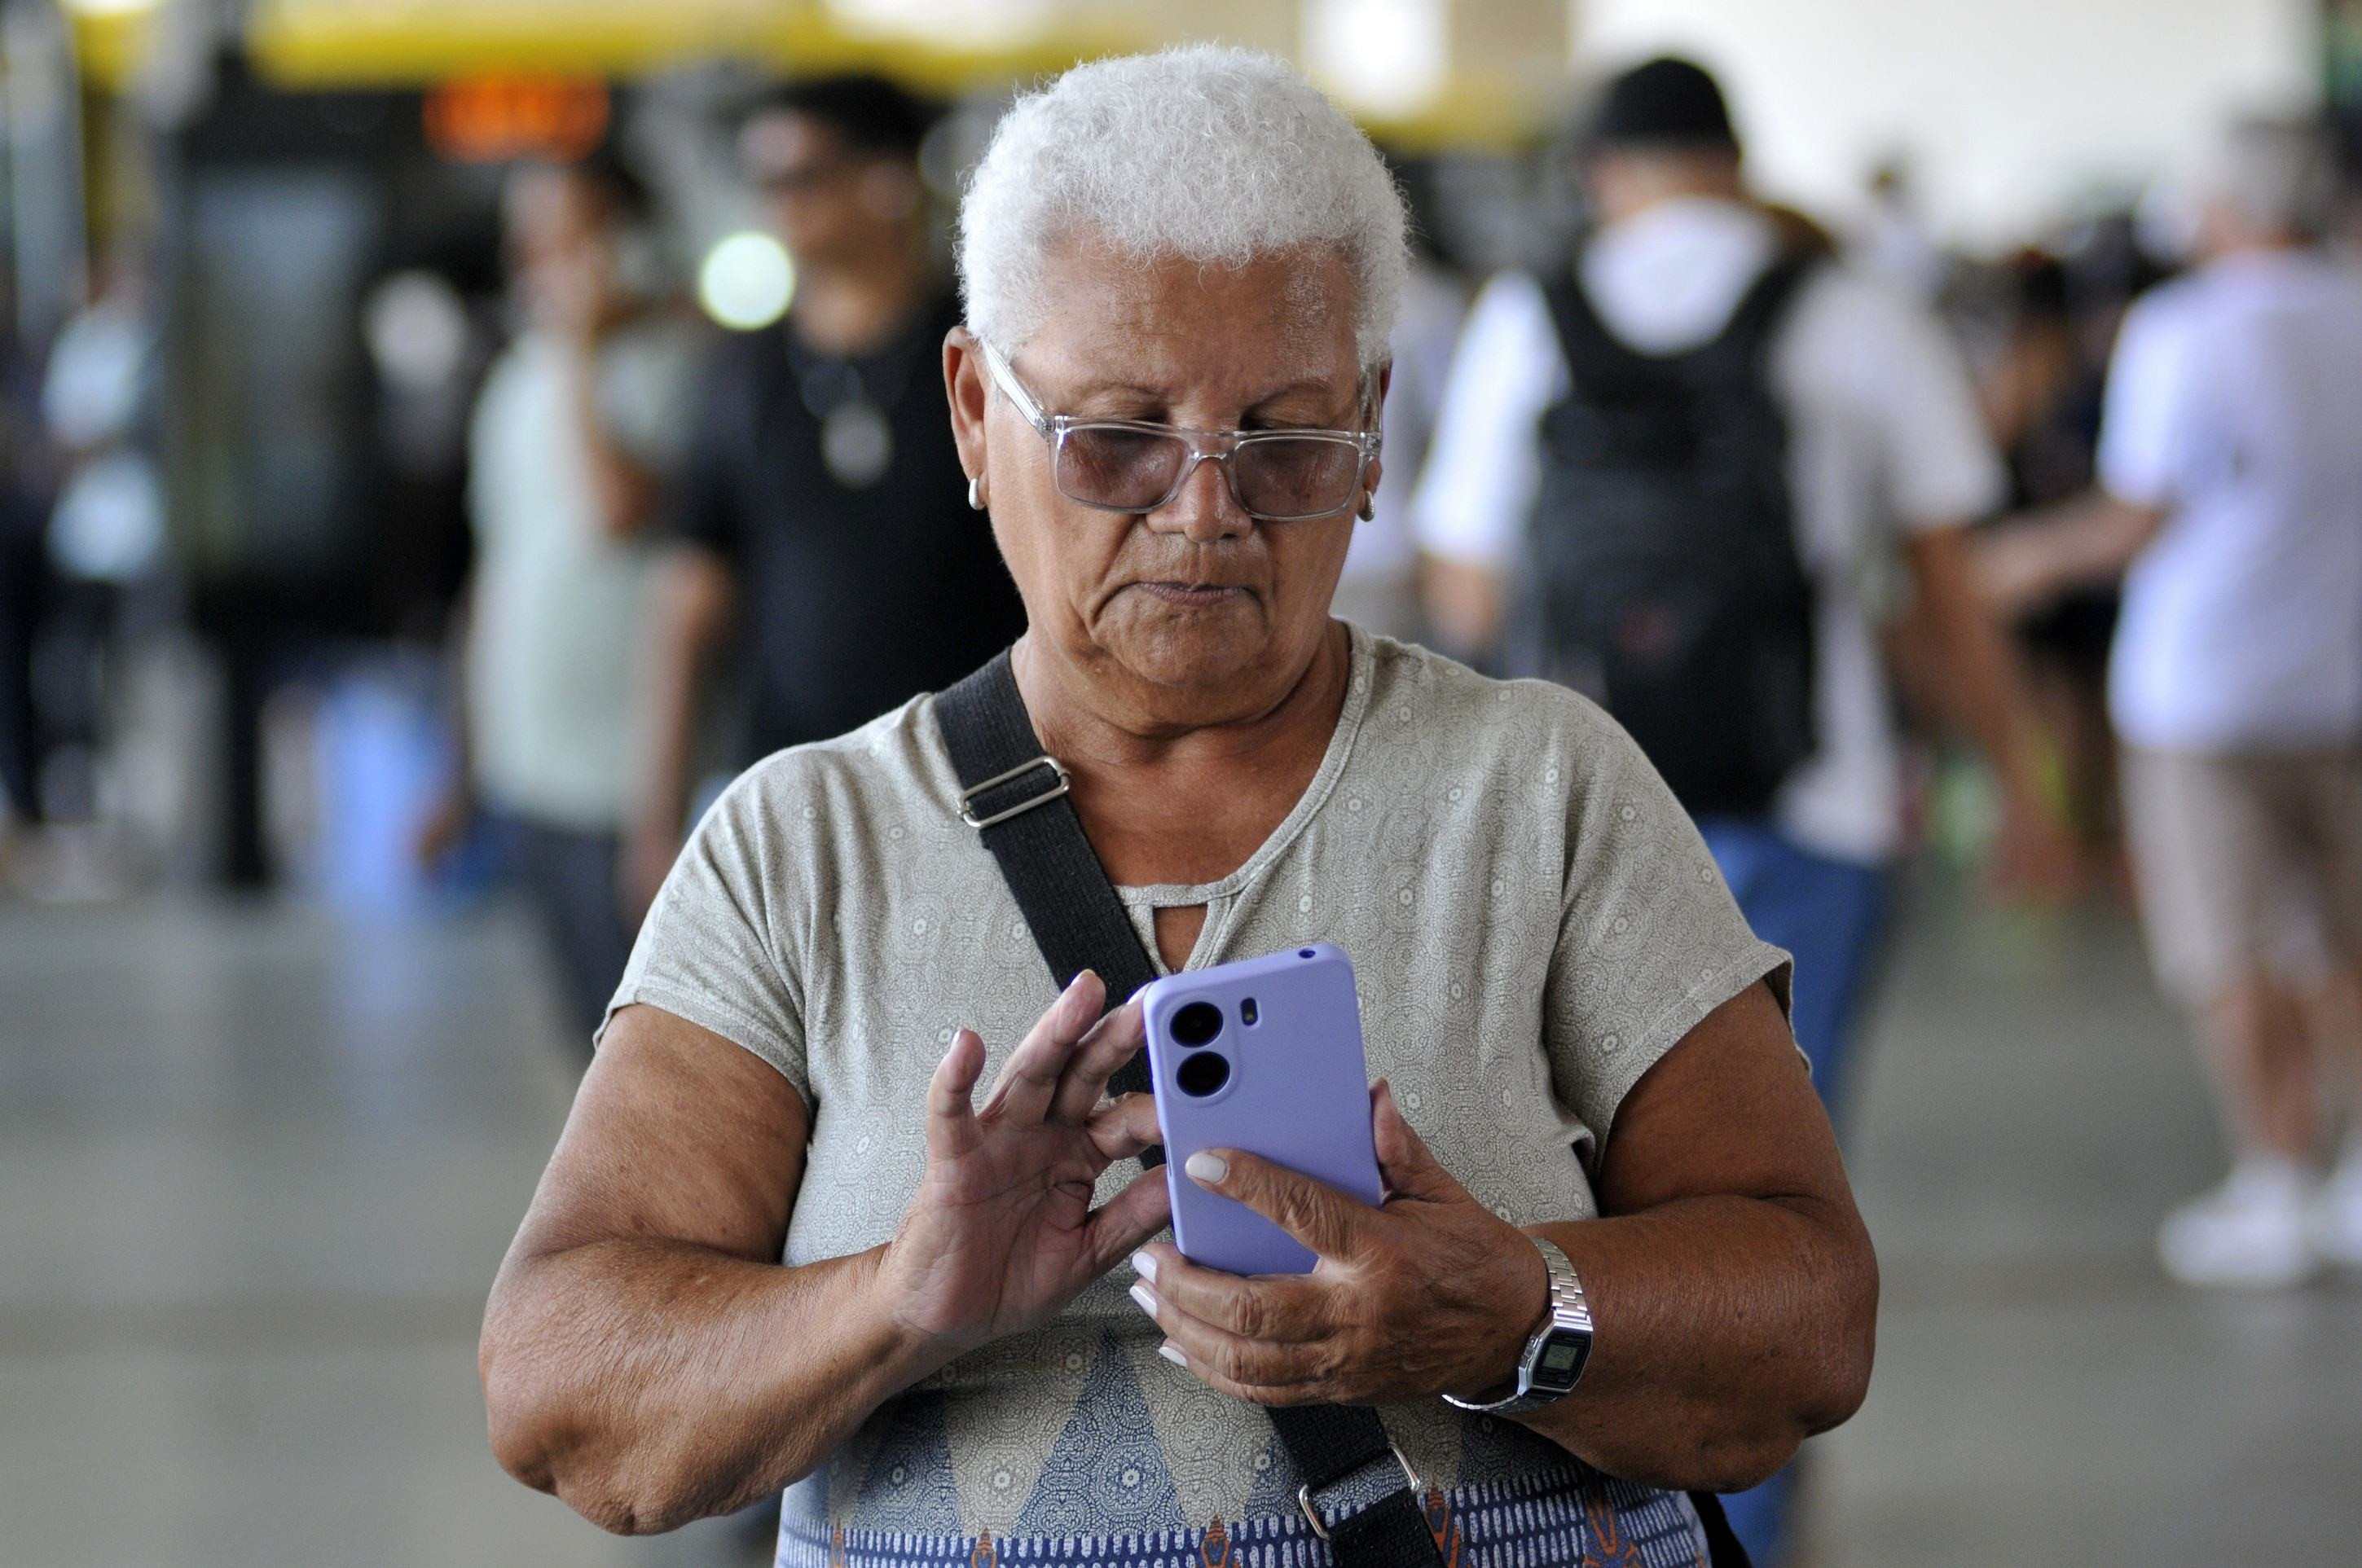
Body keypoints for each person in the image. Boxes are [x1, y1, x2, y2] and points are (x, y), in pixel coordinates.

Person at [480, 47, 1877, 1568]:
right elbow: (560, 1388)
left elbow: (1807, 1318)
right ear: (970, 411)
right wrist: (899, 1302)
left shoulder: (1535, 792)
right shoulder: (804, 850)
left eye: (1281, 442)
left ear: (1373, 432)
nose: (1201, 512)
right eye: (1115, 438)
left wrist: (1509, 1311)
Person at [1411, 56, 2064, 1564]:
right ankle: (1739, 1525)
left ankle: (1602, 1512)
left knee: (1569, 1179)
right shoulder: (1846, 312)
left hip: (1566, 827)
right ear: (1732, 158)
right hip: (1808, 807)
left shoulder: (1531, 313)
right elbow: (1942, 584)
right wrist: (2019, 782)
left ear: (1601, 169)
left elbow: (1464, 584)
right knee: (1770, 1204)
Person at [1979, 118, 2362, 1289]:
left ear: (2224, 205)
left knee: (2225, 947)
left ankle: (2272, 1175)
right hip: (2340, 677)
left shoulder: (2181, 331)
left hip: (2205, 692)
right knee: (2339, 934)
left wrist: (2011, 564)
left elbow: (2135, 518)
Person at [623, 75, 1027, 911]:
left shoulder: (989, 357)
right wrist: (656, 809)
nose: (774, 204)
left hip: (982, 780)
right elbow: (694, 595)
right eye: (760, 182)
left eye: (797, 177)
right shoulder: (744, 372)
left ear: (884, 182)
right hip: (790, 784)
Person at [415, 151, 697, 1048]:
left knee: (655, 1048)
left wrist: (582, 353)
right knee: (585, 1037)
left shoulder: (680, 369)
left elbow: (619, 506)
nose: (544, 264)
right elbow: (492, 575)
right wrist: (458, 764)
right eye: (530, 244)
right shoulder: (514, 380)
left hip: (628, 776)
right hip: (529, 765)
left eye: (571, 239)